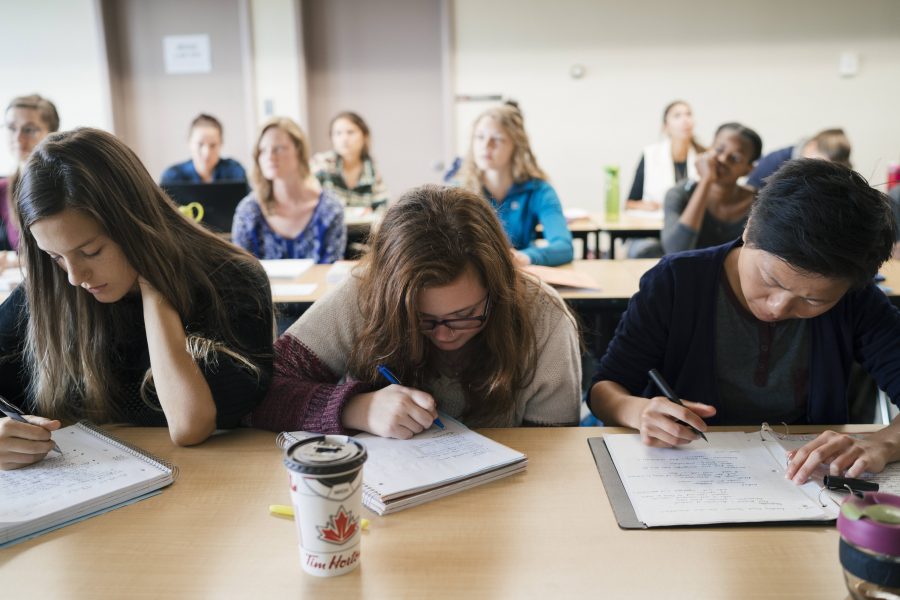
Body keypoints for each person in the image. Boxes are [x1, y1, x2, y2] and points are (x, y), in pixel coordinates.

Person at [590, 159, 900, 482]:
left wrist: (883, 443)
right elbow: (604, 389)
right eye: (771, 280)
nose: (779, 306)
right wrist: (638, 412)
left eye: (813, 300)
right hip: (687, 477)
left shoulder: (855, 300)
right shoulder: (677, 283)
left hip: (805, 485)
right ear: (749, 228)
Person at [0, 128, 274, 470]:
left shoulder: (233, 281)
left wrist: (154, 283)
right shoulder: (49, 290)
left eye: (91, 251)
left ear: (135, 224)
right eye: (55, 256)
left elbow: (190, 424)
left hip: (206, 492)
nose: (74, 277)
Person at [248, 185, 582, 437]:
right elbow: (260, 391)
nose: (444, 334)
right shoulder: (365, 293)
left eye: (466, 314)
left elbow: (554, 450)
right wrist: (356, 409)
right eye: (421, 319)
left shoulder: (545, 319)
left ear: (498, 288)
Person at [456, 105, 573, 267]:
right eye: (479, 137)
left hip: (520, 276)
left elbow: (563, 247)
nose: (486, 145)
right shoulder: (457, 191)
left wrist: (525, 257)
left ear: (516, 146)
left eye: (497, 139)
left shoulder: (539, 190)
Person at [232, 117, 346, 262]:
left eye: (279, 148)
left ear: (299, 151)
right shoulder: (248, 211)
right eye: (263, 150)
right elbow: (240, 274)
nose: (270, 156)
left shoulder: (330, 209)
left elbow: (331, 272)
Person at [661, 122, 762, 255]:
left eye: (735, 158)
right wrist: (706, 180)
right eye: (719, 150)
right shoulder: (679, 194)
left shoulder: (761, 204)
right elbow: (676, 250)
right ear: (709, 150)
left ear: (748, 169)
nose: (723, 159)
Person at [2, 94, 60, 252]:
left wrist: (15, 262)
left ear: (51, 134)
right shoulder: (3, 189)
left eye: (29, 130)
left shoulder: (64, 182)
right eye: (11, 128)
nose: (18, 138)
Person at [626, 100, 705, 213]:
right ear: (665, 127)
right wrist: (645, 206)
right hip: (655, 226)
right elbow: (629, 204)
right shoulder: (650, 154)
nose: (685, 120)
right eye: (677, 116)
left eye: (689, 114)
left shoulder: (704, 156)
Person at [310, 111, 389, 211]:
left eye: (350, 132)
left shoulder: (371, 170)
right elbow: (305, 200)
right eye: (338, 133)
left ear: (364, 136)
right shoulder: (321, 164)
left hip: (363, 226)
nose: (344, 139)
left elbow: (383, 208)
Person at [747, 128, 851, 190]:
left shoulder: (843, 172)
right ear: (812, 146)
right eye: (823, 163)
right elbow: (750, 191)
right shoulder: (775, 161)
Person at [160, 114, 247, 184]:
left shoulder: (235, 172)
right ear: (189, 143)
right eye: (200, 144)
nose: (206, 153)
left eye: (213, 145)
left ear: (221, 144)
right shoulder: (172, 177)